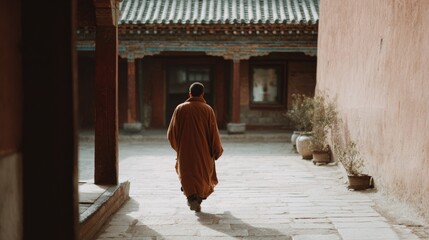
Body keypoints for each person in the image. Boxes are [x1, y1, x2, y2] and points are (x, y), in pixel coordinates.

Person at [167, 82, 223, 212]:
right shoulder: (208, 110)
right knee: (201, 174)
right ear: (202, 94)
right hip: (204, 152)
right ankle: (197, 199)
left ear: (190, 93)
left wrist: (179, 148)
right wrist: (216, 150)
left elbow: (171, 134)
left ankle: (191, 197)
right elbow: (214, 133)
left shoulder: (180, 108)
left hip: (185, 152)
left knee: (187, 174)